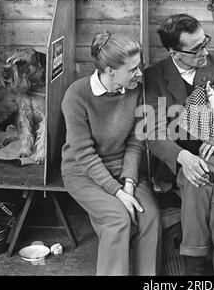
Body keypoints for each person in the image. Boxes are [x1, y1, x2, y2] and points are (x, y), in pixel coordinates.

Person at [144, 14, 214, 275]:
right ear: (174, 52)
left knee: (197, 180)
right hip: (178, 163)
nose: (205, 52)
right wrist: (183, 159)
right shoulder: (154, 76)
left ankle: (192, 269)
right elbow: (152, 132)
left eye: (205, 42)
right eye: (196, 49)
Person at [61, 31, 161, 276]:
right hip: (83, 171)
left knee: (149, 217)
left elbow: (136, 140)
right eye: (134, 69)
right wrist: (115, 192)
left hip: (124, 169)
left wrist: (128, 182)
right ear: (110, 71)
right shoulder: (77, 95)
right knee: (117, 219)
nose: (140, 73)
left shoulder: (136, 89)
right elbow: (83, 154)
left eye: (141, 66)